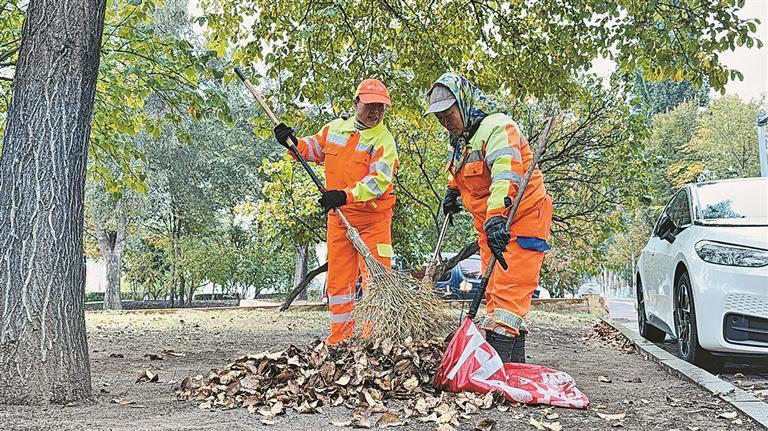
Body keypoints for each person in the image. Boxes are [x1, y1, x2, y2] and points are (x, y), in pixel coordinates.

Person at [425, 72, 553, 362]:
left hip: (520, 219)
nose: (444, 120)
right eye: (439, 116)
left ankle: (500, 370)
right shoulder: (462, 139)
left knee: (508, 294)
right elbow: (464, 170)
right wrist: (452, 191)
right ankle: (512, 369)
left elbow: (505, 176)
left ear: (463, 102)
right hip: (492, 225)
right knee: (494, 292)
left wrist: (496, 217)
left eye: (448, 113)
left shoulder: (498, 128)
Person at [273, 79, 399, 345]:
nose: (375, 112)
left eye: (380, 107)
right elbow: (311, 148)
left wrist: (344, 195)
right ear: (356, 103)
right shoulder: (334, 129)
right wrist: (291, 141)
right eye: (370, 106)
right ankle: (339, 340)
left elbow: (379, 182)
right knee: (340, 282)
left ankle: (371, 339)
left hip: (373, 221)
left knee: (376, 280)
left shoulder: (384, 141)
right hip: (339, 220)